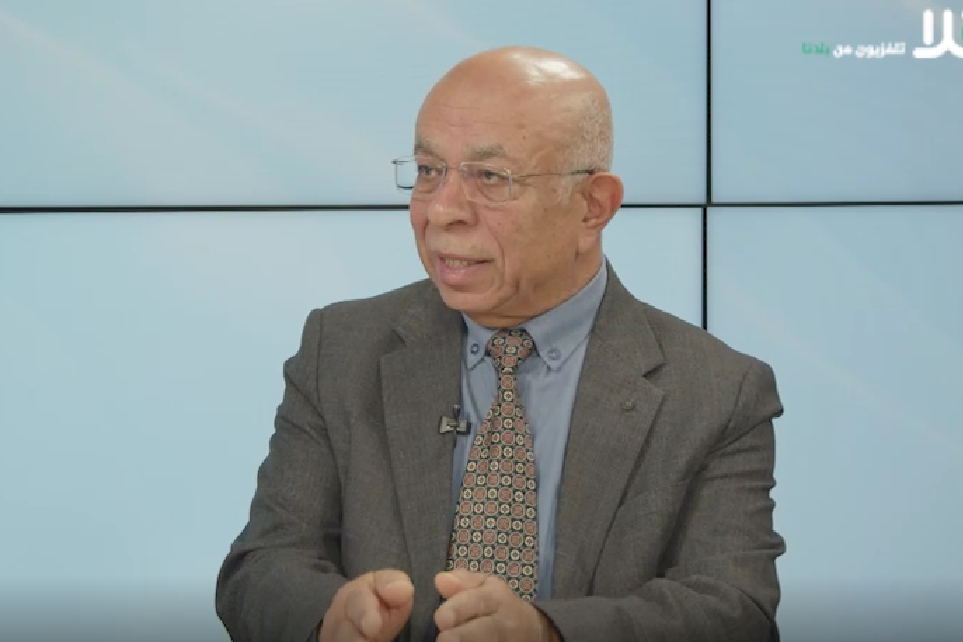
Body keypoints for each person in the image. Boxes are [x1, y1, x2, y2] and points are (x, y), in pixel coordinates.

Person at [215, 46, 785, 642]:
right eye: (428, 171)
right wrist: (328, 618)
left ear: (593, 206)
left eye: (490, 178)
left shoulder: (716, 392)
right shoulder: (340, 349)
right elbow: (262, 567)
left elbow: (733, 610)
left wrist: (547, 633)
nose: (442, 211)